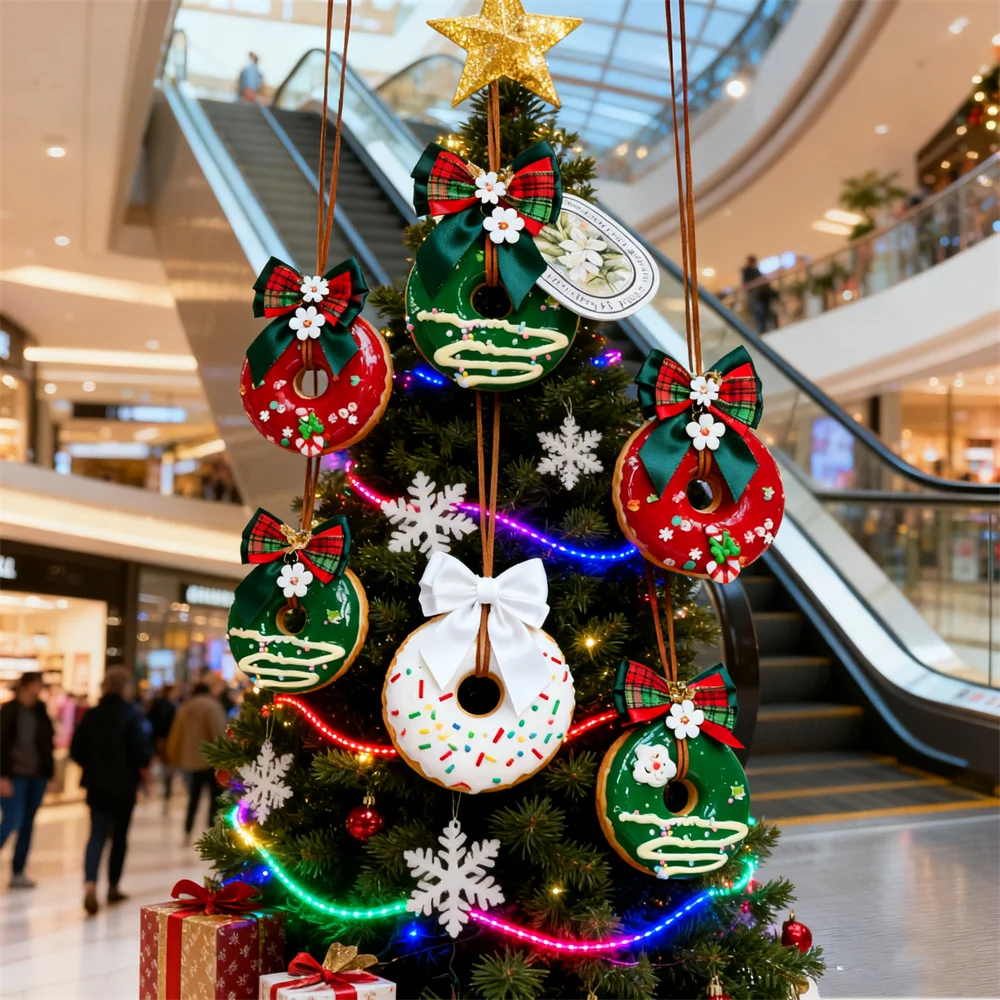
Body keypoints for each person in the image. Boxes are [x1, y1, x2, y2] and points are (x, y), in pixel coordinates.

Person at [70, 667, 152, 915]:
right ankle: (113, 886)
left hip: (96, 785)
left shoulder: (92, 715)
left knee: (96, 834)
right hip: (124, 785)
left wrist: (92, 766)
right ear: (126, 688)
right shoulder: (132, 715)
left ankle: (90, 884)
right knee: (120, 836)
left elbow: (76, 750)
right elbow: (142, 753)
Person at [0, 673, 54, 888]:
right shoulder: (10, 711)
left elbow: (46, 743)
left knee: (28, 824)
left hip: (36, 776)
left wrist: (49, 774)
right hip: (14, 775)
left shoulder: (40, 711)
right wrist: (2, 774)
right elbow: (2, 743)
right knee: (12, 819)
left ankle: (18, 870)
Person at [167, 682, 228, 838]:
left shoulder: (185, 707)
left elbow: (176, 734)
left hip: (191, 760)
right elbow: (219, 732)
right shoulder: (212, 706)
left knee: (194, 797)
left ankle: (188, 829)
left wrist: (174, 757)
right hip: (211, 760)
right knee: (215, 797)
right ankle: (213, 829)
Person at [147, 685, 178, 811]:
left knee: (163, 762)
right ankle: (166, 786)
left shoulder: (157, 704)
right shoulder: (169, 706)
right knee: (167, 763)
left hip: (160, 737)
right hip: (166, 738)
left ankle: (165, 785)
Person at [740, 254, 777, 334]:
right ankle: (762, 332)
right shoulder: (747, 271)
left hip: (762, 295)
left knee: (767, 312)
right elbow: (746, 283)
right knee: (759, 314)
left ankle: (769, 329)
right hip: (755, 296)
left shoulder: (756, 270)